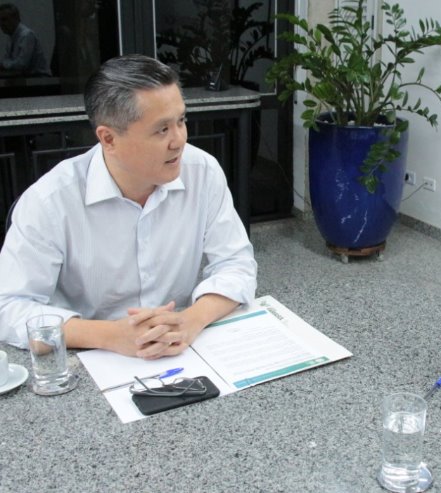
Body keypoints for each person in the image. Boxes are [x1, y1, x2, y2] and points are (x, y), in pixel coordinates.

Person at [0, 54, 258, 359]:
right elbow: (9, 308)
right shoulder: (50, 201)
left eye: (181, 120)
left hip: (181, 351)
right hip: (90, 357)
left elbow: (236, 264)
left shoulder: (203, 171)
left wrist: (190, 321)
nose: (179, 141)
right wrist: (111, 335)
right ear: (108, 138)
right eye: (162, 130)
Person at [0, 3, 51, 76]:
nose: (1, 24)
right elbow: (7, 60)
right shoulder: (11, 38)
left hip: (40, 79)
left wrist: (3, 65)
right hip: (26, 78)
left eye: (4, 19)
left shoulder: (27, 35)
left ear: (16, 18)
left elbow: (22, 64)